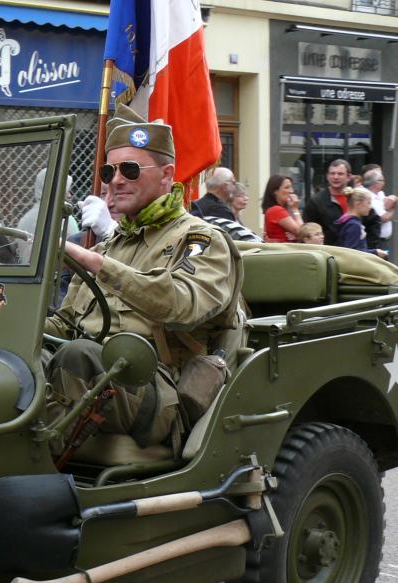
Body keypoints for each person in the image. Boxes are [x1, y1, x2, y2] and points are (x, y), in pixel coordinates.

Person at [54, 104, 241, 453]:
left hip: (154, 386)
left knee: (76, 356)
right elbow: (65, 324)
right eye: (109, 170)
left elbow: (182, 304)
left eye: (130, 169)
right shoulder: (111, 244)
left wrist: (97, 264)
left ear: (168, 175)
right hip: (97, 376)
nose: (116, 180)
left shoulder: (201, 240)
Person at [304, 159, 352, 246]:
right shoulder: (316, 201)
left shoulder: (355, 198)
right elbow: (308, 230)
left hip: (356, 252)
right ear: (327, 176)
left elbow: (371, 221)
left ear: (348, 177)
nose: (335, 177)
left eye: (340, 174)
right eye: (332, 173)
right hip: (329, 252)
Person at [334, 187, 384, 256]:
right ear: (358, 204)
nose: (370, 207)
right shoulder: (354, 225)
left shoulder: (345, 220)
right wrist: (375, 252)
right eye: (368, 203)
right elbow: (352, 253)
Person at [361, 168, 396, 252]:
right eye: (381, 180)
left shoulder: (380, 193)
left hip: (384, 240)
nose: (384, 182)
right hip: (375, 241)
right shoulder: (367, 196)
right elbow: (383, 218)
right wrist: (393, 209)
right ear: (374, 183)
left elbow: (388, 204)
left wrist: (393, 200)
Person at [261, 174, 302, 243]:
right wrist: (295, 209)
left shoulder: (279, 209)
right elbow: (303, 232)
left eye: (291, 187)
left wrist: (297, 236)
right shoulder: (276, 210)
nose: (291, 191)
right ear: (275, 191)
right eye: (287, 187)